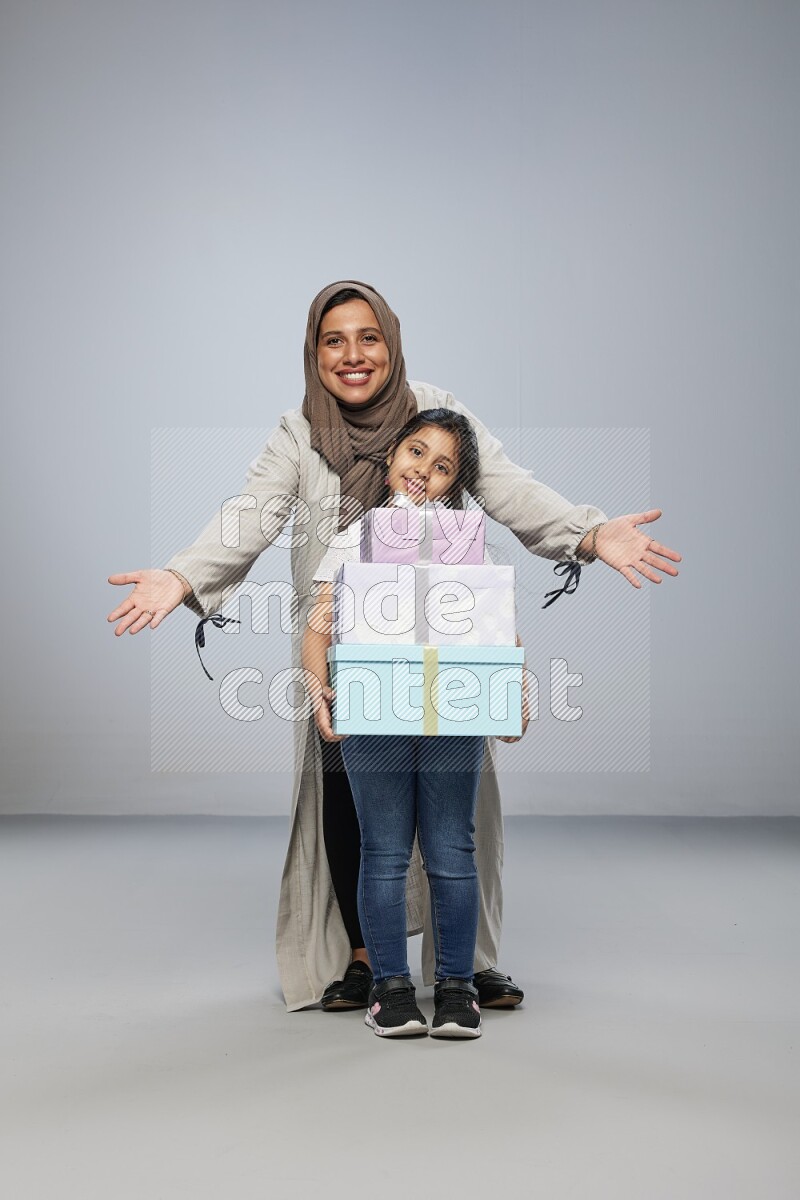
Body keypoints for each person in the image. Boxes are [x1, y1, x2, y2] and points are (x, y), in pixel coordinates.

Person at [107, 280, 681, 1013]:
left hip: (449, 651)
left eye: (368, 337)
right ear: (314, 352)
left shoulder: (437, 413)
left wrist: (590, 531)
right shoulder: (298, 434)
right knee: (348, 800)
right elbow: (245, 517)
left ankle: (463, 965)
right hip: (347, 655)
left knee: (458, 812)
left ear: (392, 343)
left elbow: (507, 488)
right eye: (334, 340)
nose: (353, 355)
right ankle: (364, 962)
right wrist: (184, 574)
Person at [303, 407, 531, 1038]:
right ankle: (390, 989)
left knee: (452, 848)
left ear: (455, 485)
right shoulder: (354, 537)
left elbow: (496, 625)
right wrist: (322, 691)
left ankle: (458, 988)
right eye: (415, 452)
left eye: (442, 466)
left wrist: (513, 691)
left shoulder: (470, 538)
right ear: (392, 458)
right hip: (374, 706)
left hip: (453, 705)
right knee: (383, 850)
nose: (424, 471)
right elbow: (319, 625)